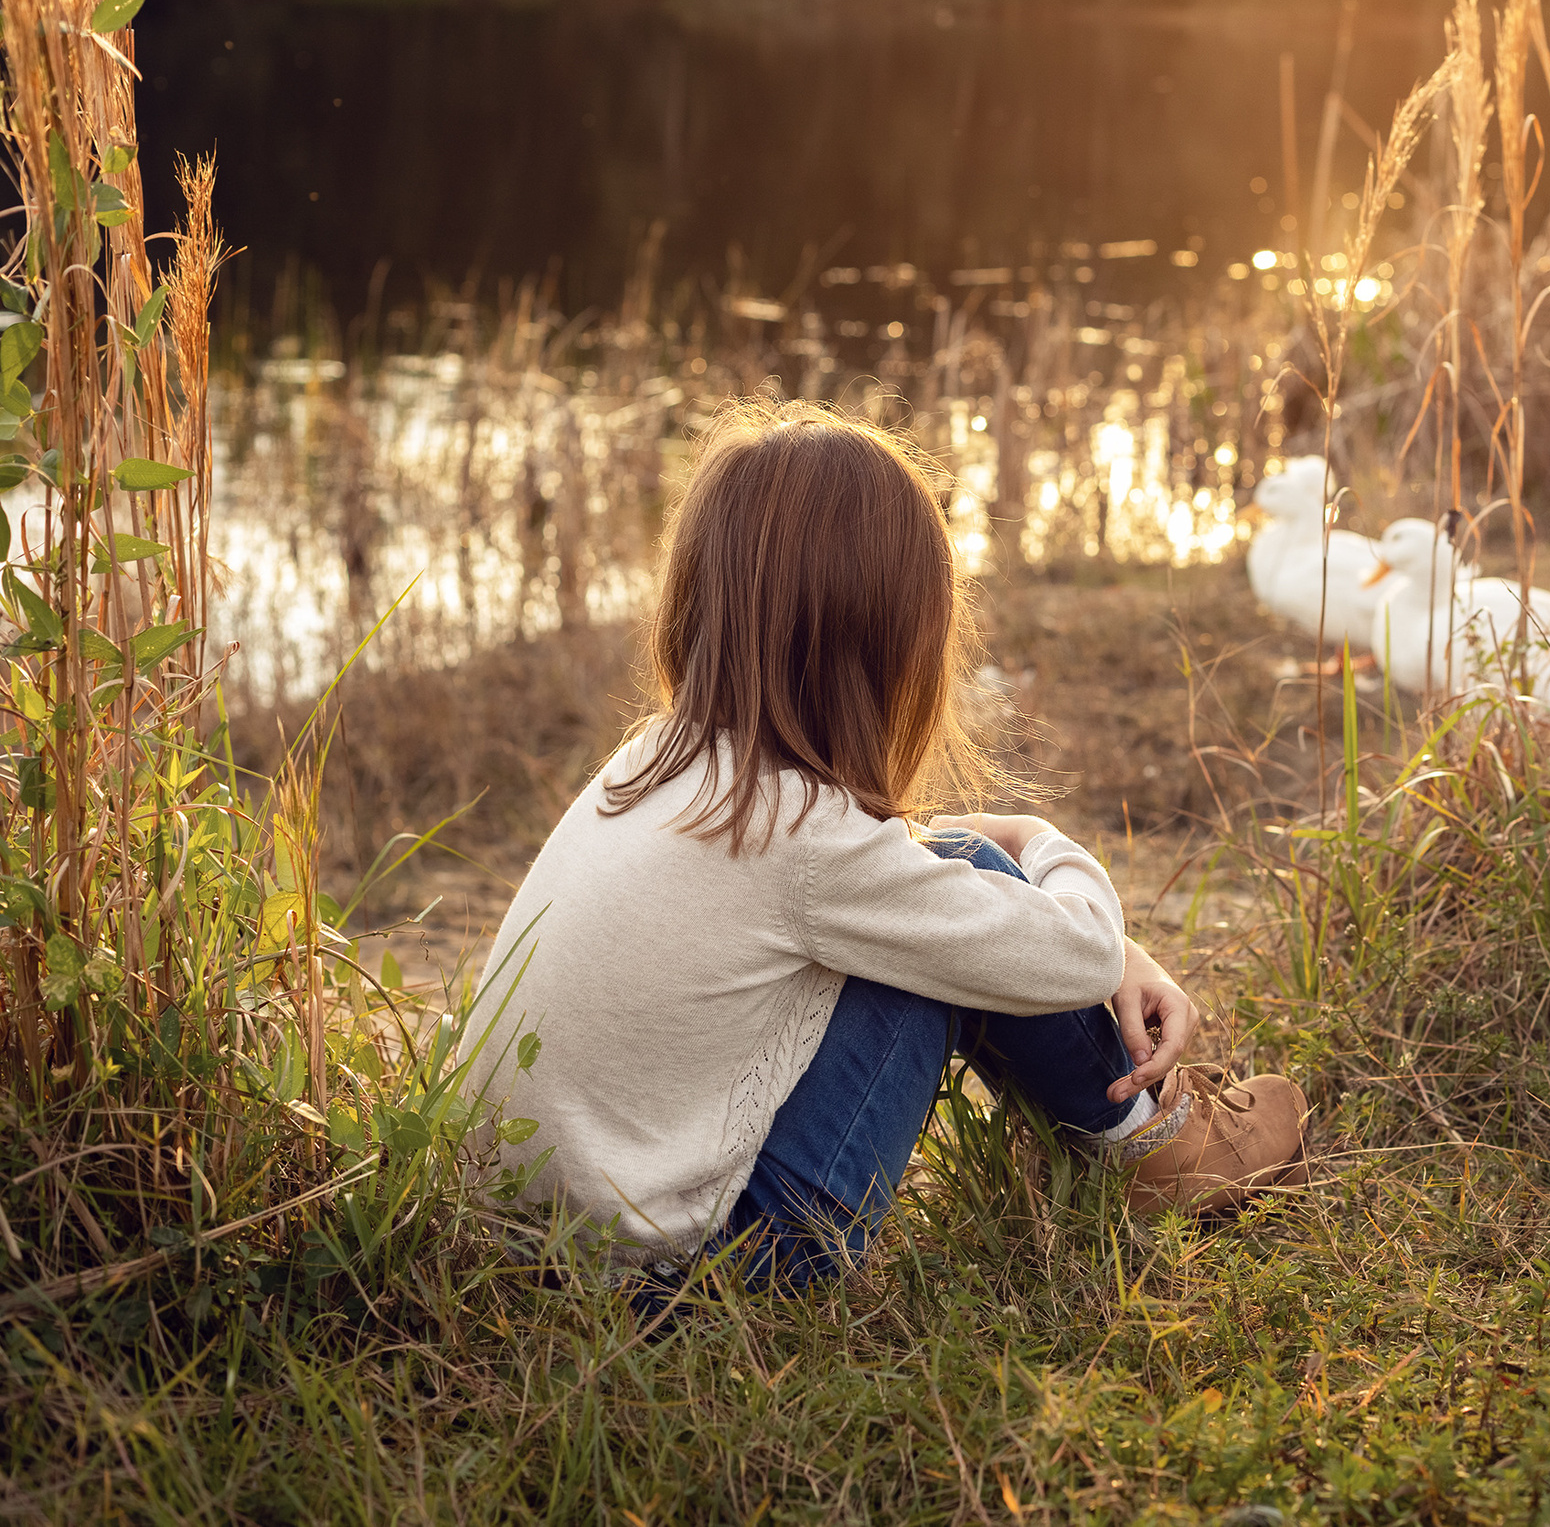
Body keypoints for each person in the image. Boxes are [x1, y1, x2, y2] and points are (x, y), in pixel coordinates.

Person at [469, 400, 1307, 1288]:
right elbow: (1079, 952)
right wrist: (1041, 844)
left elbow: (875, 860)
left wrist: (1061, 900)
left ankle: (1144, 1138)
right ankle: (1166, 1149)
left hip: (523, 1251)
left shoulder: (661, 761)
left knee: (945, 887)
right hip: (704, 1284)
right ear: (886, 638)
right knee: (968, 884)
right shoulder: (802, 839)